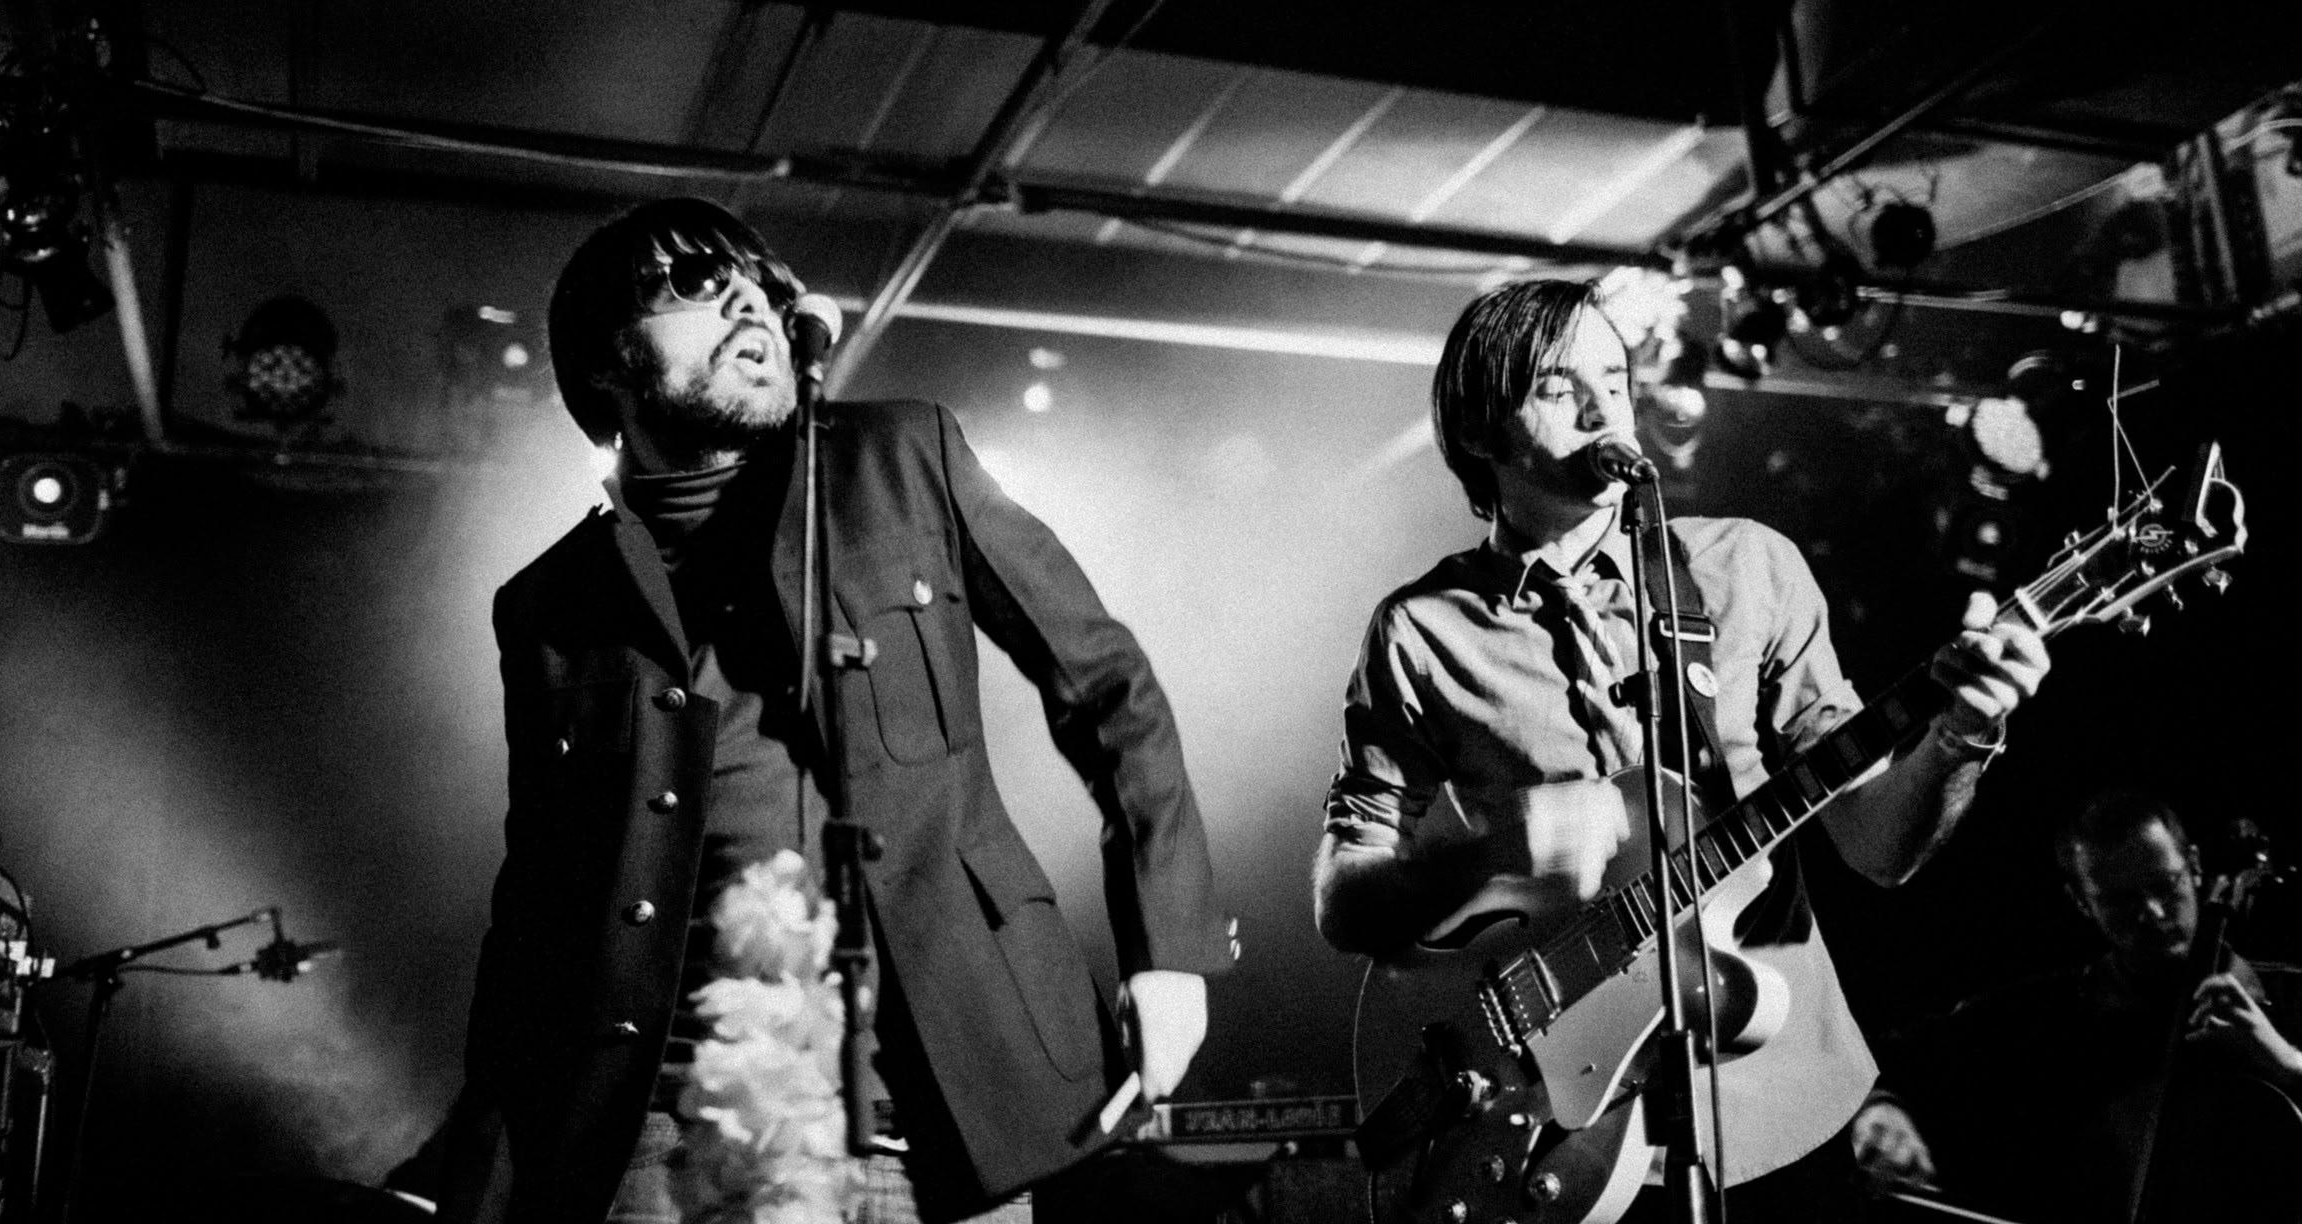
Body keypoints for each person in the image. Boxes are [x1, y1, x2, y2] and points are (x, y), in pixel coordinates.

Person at [445, 199, 1233, 1224]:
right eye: (689, 281)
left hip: (941, 1098)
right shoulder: (548, 606)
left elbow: (1106, 685)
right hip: (673, 1126)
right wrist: (475, 1145)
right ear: (604, 363)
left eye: (761, 281)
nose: (746, 295)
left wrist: (1170, 946)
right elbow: (539, 902)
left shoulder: (902, 461)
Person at [1314, 278, 2049, 1222]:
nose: (1602, 404)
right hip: (1555, 1136)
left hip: (1779, 1106)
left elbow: (1878, 846)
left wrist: (1963, 734)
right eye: (1555, 384)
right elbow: (1344, 901)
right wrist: (1499, 851)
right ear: (1482, 432)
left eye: (1613, 377)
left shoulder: (1747, 566)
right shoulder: (1421, 633)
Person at [1855, 791, 2302, 1222]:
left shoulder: (2291, 996)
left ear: (2196, 866)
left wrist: (2285, 1062)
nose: (2153, 913)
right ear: (2082, 903)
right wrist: (1881, 1110)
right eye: (2119, 901)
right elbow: (1886, 1058)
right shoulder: (2048, 1018)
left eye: (2165, 886)